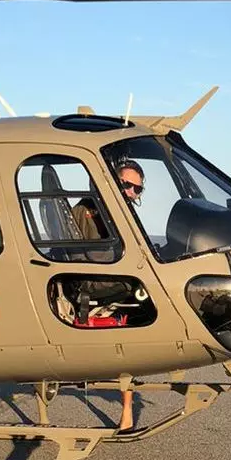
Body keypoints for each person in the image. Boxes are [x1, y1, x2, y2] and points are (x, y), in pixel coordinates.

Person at [70, 158, 145, 433]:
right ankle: (127, 403)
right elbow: (86, 255)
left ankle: (127, 404)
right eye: (126, 185)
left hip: (110, 277)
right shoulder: (84, 211)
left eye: (137, 190)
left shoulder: (123, 215)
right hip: (95, 280)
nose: (131, 193)